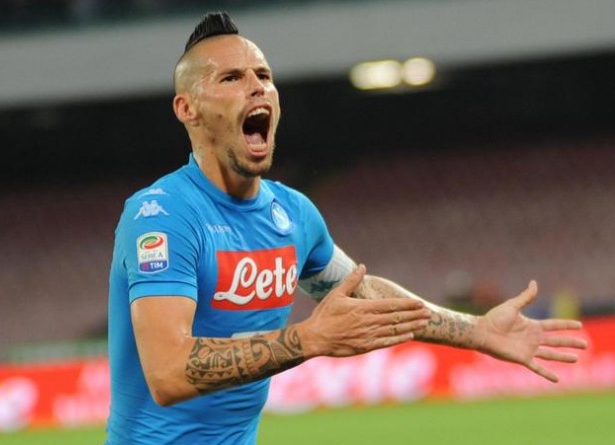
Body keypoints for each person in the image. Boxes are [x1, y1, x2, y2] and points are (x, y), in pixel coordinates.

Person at [106, 11, 588, 445]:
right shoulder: (163, 215)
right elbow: (167, 372)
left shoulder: (293, 215)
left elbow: (363, 292)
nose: (257, 87)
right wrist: (307, 340)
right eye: (231, 77)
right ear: (187, 109)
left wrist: (475, 329)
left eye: (264, 76)